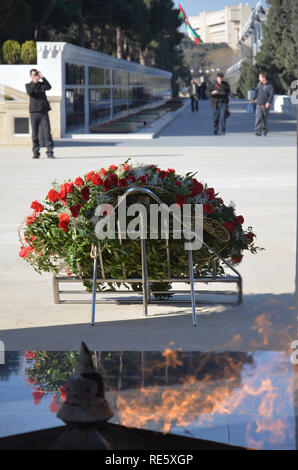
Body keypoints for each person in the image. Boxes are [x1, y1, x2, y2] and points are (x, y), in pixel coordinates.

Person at [25, 69, 55, 159]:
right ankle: (36, 152)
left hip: (43, 112)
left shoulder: (42, 85)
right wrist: (34, 82)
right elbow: (30, 92)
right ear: (31, 76)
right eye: (34, 74)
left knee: (47, 132)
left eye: (37, 74)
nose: (36, 76)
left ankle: (50, 152)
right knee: (35, 134)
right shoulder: (28, 85)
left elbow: (49, 87)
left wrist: (43, 78)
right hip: (34, 112)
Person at [250, 72, 274, 136]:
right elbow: (256, 92)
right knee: (258, 117)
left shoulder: (270, 86)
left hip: (265, 105)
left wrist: (268, 102)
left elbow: (271, 95)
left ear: (264, 78)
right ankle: (258, 131)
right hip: (259, 104)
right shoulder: (259, 85)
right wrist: (253, 99)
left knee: (264, 118)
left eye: (260, 77)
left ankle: (265, 129)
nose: (259, 78)